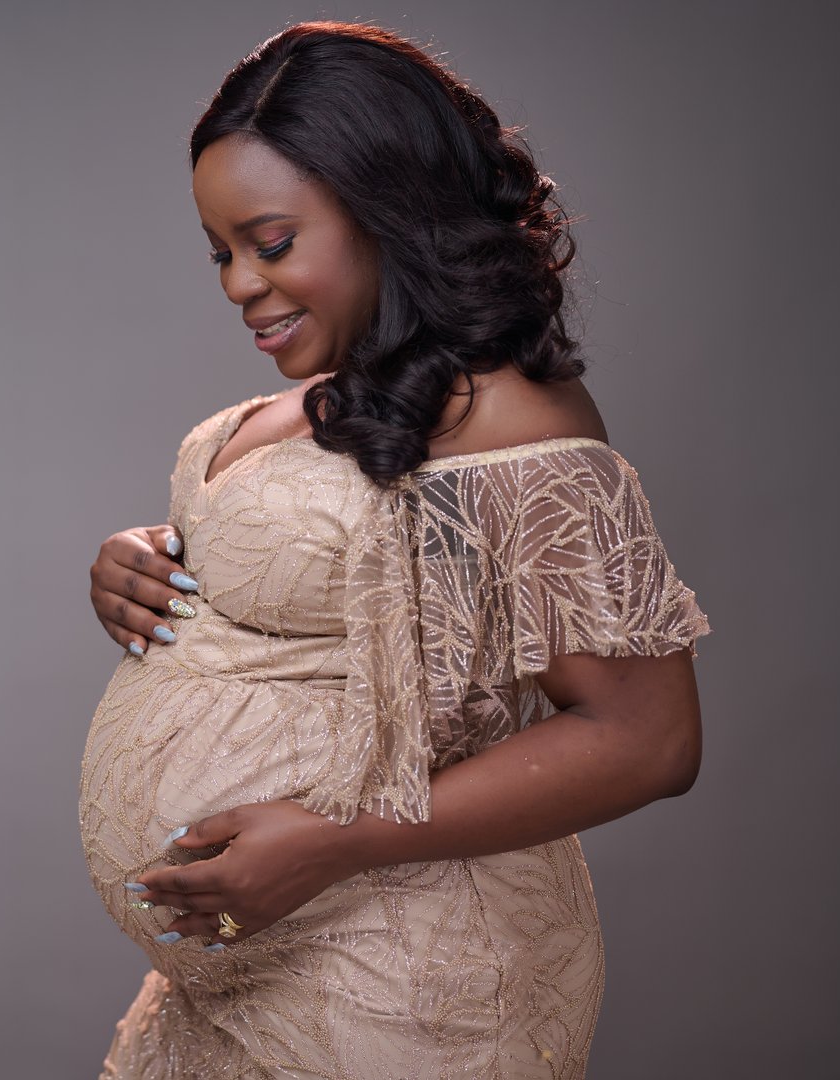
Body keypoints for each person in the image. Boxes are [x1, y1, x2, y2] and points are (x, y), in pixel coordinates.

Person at [78, 22, 710, 1080]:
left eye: (271, 243)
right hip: (243, 989)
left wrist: (340, 841)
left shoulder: (512, 423)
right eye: (220, 250)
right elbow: (332, 579)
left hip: (403, 991)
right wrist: (142, 560)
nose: (238, 283)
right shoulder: (350, 395)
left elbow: (649, 738)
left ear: (388, 210)